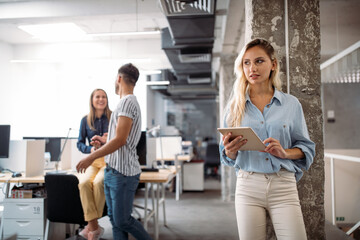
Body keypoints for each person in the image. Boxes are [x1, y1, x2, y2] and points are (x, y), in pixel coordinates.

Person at [219, 38, 316, 240]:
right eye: (246, 62)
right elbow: (226, 156)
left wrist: (284, 152)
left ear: (273, 65)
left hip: (284, 186)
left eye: (259, 61)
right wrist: (230, 150)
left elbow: (306, 148)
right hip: (248, 185)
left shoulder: (291, 104)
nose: (252, 68)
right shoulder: (235, 106)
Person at [76, 63, 152, 240]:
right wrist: (104, 140)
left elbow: (120, 140)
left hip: (122, 172)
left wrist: (91, 157)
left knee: (123, 220)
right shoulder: (126, 103)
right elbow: (119, 137)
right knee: (115, 220)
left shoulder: (126, 103)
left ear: (119, 79)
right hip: (113, 169)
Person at [76, 88, 112, 240]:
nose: (101, 99)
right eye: (98, 97)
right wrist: (90, 148)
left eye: (104, 97)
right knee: (83, 182)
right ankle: (95, 227)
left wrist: (106, 140)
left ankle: (91, 226)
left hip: (108, 160)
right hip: (92, 160)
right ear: (92, 100)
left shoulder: (112, 118)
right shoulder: (85, 120)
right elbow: (79, 143)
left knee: (99, 182)